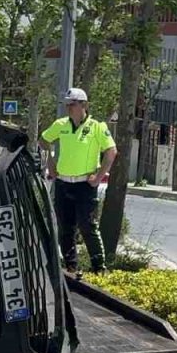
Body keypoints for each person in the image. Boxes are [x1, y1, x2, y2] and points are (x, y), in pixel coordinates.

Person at [40, 88, 118, 275]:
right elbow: (43, 141)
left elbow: (111, 151)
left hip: (85, 185)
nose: (69, 108)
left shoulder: (97, 127)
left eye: (72, 104)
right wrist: (51, 162)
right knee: (65, 227)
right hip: (63, 183)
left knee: (87, 225)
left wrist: (98, 177)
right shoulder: (60, 124)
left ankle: (99, 268)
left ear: (84, 105)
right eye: (67, 104)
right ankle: (71, 267)